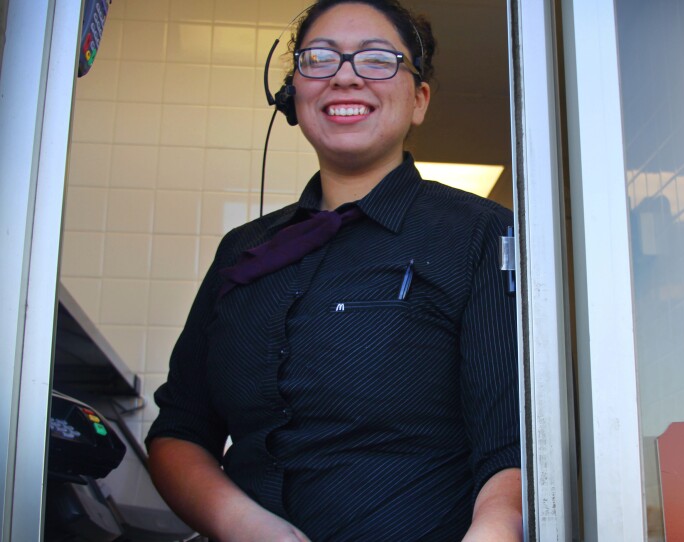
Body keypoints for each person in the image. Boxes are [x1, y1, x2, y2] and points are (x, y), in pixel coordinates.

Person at [146, 1, 521, 540]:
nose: (344, 77)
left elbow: (509, 444)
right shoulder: (242, 251)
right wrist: (245, 525)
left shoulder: (481, 234)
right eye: (319, 58)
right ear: (292, 97)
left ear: (419, 100)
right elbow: (180, 431)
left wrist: (495, 530)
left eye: (376, 60)